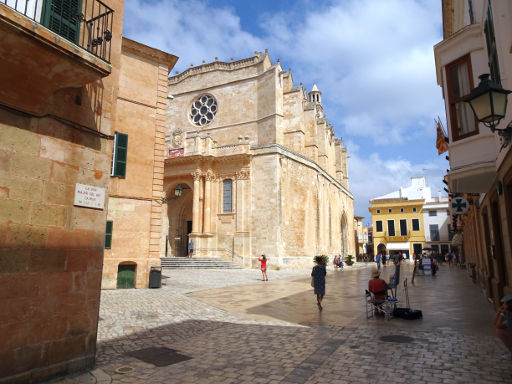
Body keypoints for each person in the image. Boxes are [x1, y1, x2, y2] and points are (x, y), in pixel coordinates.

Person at [494, 294, 512, 360]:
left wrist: (501, 314)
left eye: (504, 304)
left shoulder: (510, 315)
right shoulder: (508, 312)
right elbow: (494, 322)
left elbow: (499, 325)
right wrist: (499, 311)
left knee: (499, 331)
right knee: (498, 329)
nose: (503, 305)